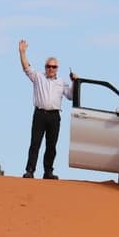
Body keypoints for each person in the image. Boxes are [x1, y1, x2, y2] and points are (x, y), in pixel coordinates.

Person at [18, 39, 77, 179]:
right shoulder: (38, 77)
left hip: (54, 116)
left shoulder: (61, 82)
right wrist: (22, 52)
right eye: (48, 66)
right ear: (45, 67)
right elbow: (26, 67)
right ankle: (30, 170)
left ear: (57, 68)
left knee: (51, 145)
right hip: (40, 114)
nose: (51, 69)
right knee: (35, 143)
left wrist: (75, 82)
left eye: (53, 67)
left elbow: (70, 96)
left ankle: (48, 171)